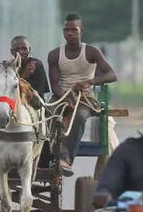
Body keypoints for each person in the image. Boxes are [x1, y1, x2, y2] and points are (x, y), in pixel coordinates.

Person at [47, 14, 117, 177]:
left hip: (85, 98)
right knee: (48, 115)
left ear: (81, 31)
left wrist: (90, 82)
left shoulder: (91, 52)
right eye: (66, 30)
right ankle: (48, 155)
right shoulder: (55, 54)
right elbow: (55, 85)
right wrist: (65, 97)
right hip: (61, 96)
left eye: (74, 30)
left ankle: (65, 160)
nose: (69, 34)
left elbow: (112, 75)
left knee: (79, 117)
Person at [11, 35, 49, 100]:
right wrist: (25, 74)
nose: (20, 52)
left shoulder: (36, 64)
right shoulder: (9, 67)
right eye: (16, 49)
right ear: (12, 52)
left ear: (29, 50)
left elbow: (38, 94)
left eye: (24, 48)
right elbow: (10, 91)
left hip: (33, 104)